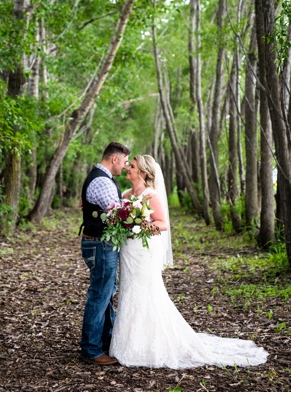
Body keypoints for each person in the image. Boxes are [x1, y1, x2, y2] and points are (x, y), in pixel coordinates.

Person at [109, 155, 268, 368]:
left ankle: (150, 343)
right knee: (129, 291)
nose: (128, 168)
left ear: (143, 173)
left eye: (133, 166)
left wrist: (140, 226)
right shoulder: (126, 194)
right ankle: (129, 341)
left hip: (144, 251)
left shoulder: (151, 195)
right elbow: (119, 217)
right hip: (129, 252)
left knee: (146, 291)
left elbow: (163, 224)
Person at [79, 141, 131, 365]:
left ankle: (107, 341)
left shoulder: (101, 178)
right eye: (125, 162)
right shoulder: (102, 180)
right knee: (100, 294)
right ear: (114, 159)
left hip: (100, 243)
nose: (125, 167)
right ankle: (91, 349)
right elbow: (118, 215)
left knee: (106, 293)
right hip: (100, 244)